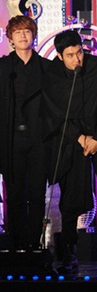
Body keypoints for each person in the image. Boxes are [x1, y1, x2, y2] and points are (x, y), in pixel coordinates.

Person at [42, 30, 97, 274]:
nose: (77, 59)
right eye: (70, 55)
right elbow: (53, 114)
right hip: (72, 141)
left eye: (79, 52)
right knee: (70, 198)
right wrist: (80, 138)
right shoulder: (52, 75)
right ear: (60, 56)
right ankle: (69, 252)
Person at [0, 15, 49, 250]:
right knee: (15, 193)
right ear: (10, 38)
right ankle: (16, 242)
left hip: (39, 139)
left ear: (33, 35)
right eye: (17, 32)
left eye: (27, 31)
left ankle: (33, 243)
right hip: (11, 139)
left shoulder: (47, 68)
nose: (22, 35)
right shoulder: (3, 68)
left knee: (37, 193)